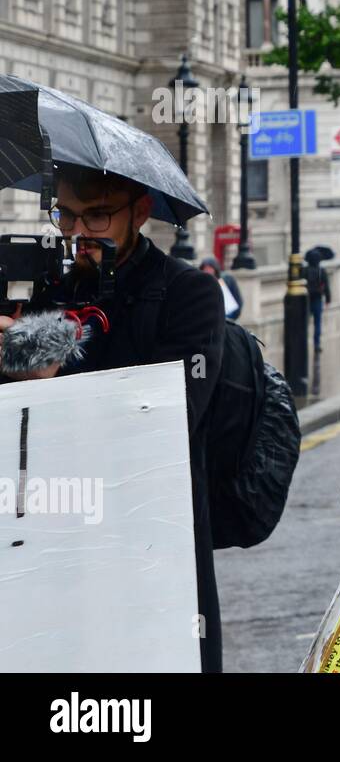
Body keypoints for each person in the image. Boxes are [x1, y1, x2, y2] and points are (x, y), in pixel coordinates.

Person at [0, 163, 229, 672]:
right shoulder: (43, 291)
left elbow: (171, 423)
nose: (78, 232)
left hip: (151, 544)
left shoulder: (187, 294)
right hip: (49, 540)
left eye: (98, 216)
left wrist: (54, 380)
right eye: (66, 215)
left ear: (141, 212)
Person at [305, 251, 332, 352]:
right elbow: (326, 286)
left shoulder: (305, 270)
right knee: (317, 323)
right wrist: (328, 299)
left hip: (307, 300)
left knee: (305, 323)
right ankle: (316, 345)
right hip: (317, 299)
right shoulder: (322, 271)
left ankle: (304, 343)